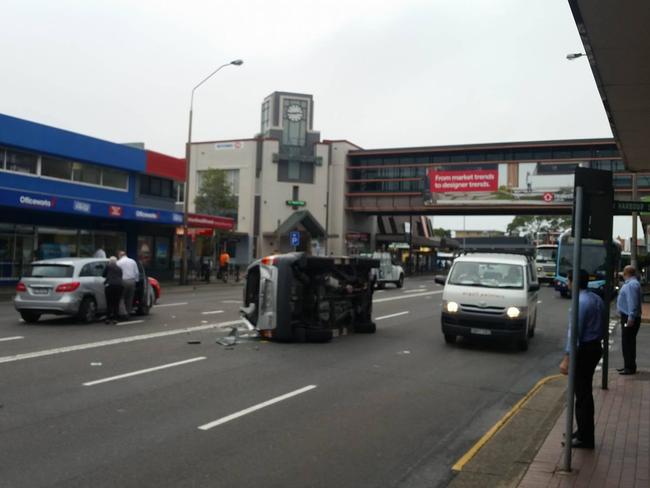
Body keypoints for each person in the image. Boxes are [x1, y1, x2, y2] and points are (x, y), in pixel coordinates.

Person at [559, 269, 604, 449]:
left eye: (569, 280)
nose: (567, 283)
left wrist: (567, 358)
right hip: (594, 347)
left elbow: (575, 333)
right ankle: (583, 431)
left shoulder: (580, 302)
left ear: (573, 281)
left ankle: (585, 438)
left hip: (585, 350)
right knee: (583, 393)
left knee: (582, 395)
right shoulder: (595, 298)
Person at [617, 265, 642, 375]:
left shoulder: (631, 285)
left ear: (626, 273)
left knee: (627, 343)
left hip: (629, 317)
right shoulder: (632, 283)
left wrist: (630, 318)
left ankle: (629, 367)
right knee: (628, 342)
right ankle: (628, 365)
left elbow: (632, 302)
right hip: (629, 316)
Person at [117, 250, 139, 316]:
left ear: (120, 255)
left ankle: (123, 313)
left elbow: (117, 273)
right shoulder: (132, 261)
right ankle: (128, 312)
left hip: (123, 281)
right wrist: (136, 281)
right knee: (130, 298)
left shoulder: (119, 262)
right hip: (132, 281)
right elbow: (136, 272)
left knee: (121, 297)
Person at [102, 256, 123, 324]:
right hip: (119, 286)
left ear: (110, 262)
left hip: (110, 285)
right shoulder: (119, 268)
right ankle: (115, 318)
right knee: (116, 302)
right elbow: (120, 276)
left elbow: (103, 275)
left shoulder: (108, 267)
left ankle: (108, 318)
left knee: (109, 302)